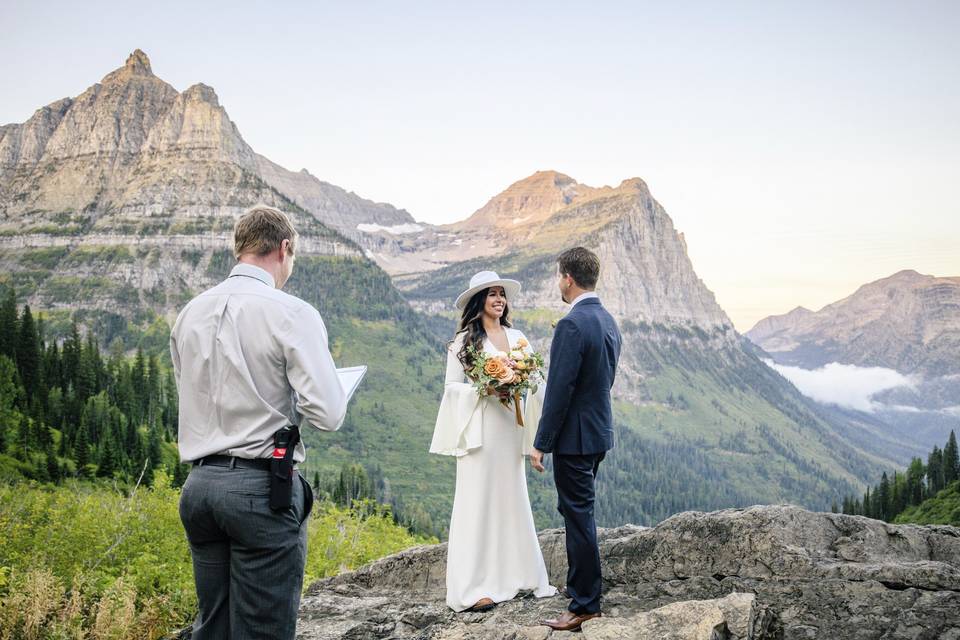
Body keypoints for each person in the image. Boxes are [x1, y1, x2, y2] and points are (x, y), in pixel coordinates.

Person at [171, 205, 348, 639]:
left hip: (200, 488)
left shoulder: (190, 312)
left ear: (240, 249)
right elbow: (328, 413)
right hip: (259, 490)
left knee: (213, 626)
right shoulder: (291, 312)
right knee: (263, 630)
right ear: (284, 248)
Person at [430, 270, 557, 612]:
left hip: (509, 429)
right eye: (492, 295)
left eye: (502, 294)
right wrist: (484, 386)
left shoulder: (518, 338)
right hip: (481, 431)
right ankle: (473, 587)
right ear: (479, 302)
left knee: (509, 499)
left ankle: (516, 576)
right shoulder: (463, 343)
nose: (499, 300)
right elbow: (451, 389)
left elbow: (537, 382)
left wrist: (553, 420)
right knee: (478, 503)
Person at [529, 247, 622, 632]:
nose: (558, 282)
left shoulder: (572, 324)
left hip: (574, 440)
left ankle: (584, 603)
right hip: (598, 433)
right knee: (577, 513)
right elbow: (606, 379)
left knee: (578, 518)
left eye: (558, 276)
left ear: (567, 277)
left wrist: (542, 443)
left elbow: (559, 390)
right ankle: (584, 594)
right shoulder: (607, 320)